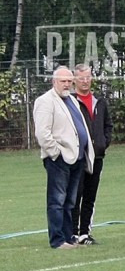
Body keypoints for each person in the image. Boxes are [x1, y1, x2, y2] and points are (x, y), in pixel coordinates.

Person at [33, 66, 94, 249]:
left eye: (69, 81)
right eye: (63, 81)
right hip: (59, 160)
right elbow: (42, 133)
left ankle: (69, 237)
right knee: (57, 201)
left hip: (76, 159)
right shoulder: (45, 101)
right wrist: (56, 153)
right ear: (54, 82)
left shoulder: (72, 100)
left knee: (70, 201)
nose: (67, 84)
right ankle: (57, 240)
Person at [71, 64, 113, 245]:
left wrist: (103, 143)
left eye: (87, 77)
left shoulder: (100, 102)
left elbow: (108, 126)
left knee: (90, 196)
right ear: (75, 80)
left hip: (97, 157)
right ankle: (72, 233)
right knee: (76, 195)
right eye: (81, 78)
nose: (85, 81)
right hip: (78, 158)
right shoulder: (70, 102)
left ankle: (84, 233)